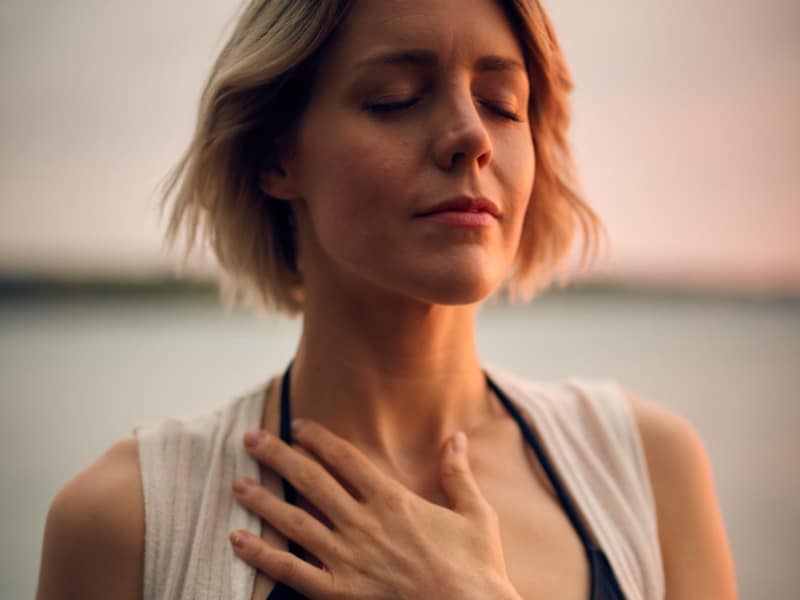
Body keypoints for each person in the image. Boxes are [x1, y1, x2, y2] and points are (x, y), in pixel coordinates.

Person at [36, 1, 737, 599]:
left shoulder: (648, 468)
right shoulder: (128, 521)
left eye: (502, 104)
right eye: (395, 98)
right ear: (277, 156)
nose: (471, 137)